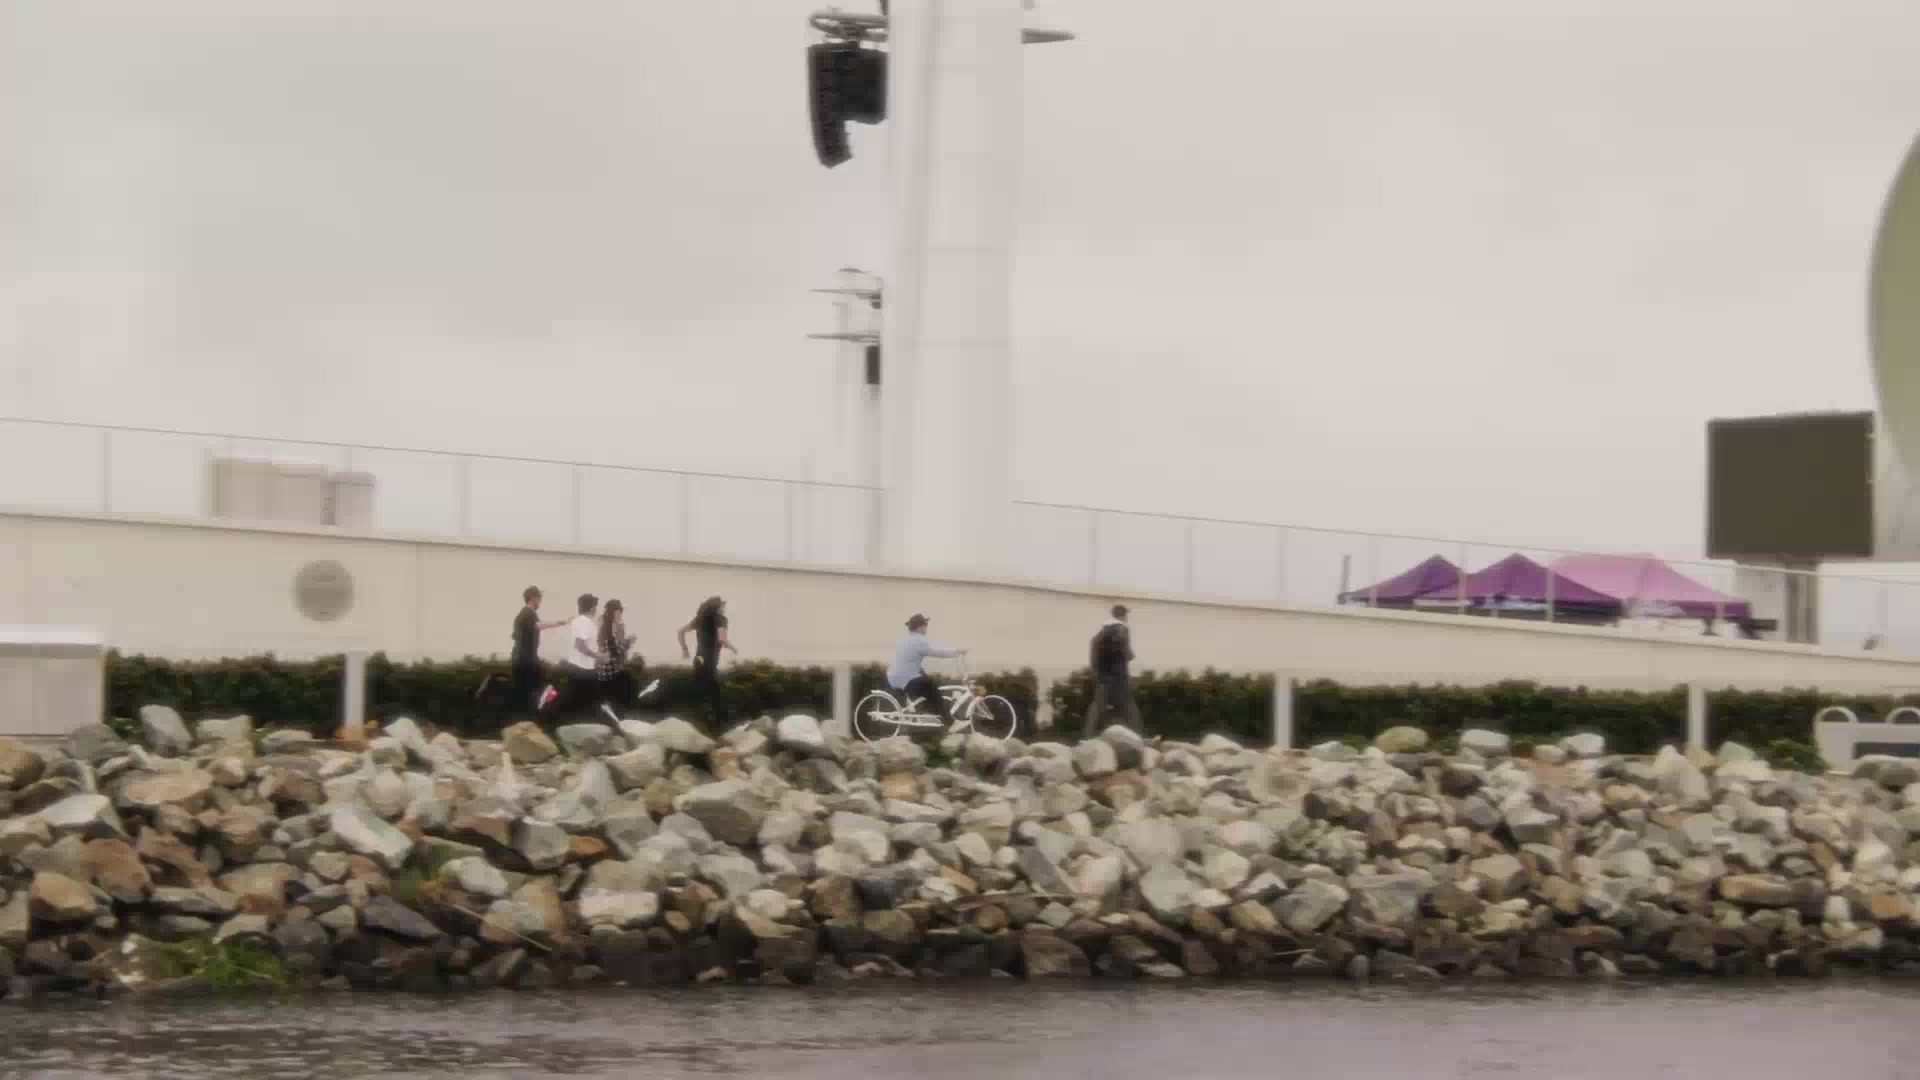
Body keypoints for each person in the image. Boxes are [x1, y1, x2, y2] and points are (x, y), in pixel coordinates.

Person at [678, 596, 737, 730]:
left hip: (699, 659)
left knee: (699, 690)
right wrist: (735, 650)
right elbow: (723, 640)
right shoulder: (721, 620)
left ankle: (696, 720)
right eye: (723, 605)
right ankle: (715, 723)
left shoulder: (699, 619)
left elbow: (680, 632)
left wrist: (685, 649)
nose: (724, 608)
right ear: (718, 607)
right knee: (714, 692)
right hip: (710, 661)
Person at [888, 613, 963, 716]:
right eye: (925, 625)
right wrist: (957, 652)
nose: (926, 628)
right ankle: (949, 721)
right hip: (905, 679)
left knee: (925, 681)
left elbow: (908, 660)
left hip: (894, 676)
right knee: (932, 687)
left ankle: (929, 713)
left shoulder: (905, 638)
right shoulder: (918, 640)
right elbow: (936, 652)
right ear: (920, 627)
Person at [1083, 603, 1142, 736]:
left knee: (1097, 707)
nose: (1127, 617)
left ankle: (1087, 737)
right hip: (1119, 677)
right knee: (1130, 708)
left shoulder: (1102, 631)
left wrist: (1096, 669)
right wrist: (1130, 656)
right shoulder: (1123, 629)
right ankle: (1138, 737)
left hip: (1103, 677)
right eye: (1126, 615)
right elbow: (1126, 652)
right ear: (1122, 615)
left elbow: (1093, 646)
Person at [508, 586, 566, 719]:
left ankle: (528, 718)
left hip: (521, 659)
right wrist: (560, 623)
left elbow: (514, 635)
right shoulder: (528, 613)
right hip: (526, 660)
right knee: (543, 687)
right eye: (539, 598)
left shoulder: (521, 615)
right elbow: (539, 625)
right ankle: (538, 717)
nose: (540, 601)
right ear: (532, 598)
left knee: (526, 692)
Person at [554, 593, 601, 723]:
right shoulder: (585, 622)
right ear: (592, 608)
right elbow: (579, 645)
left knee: (576, 707)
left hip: (577, 668)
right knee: (587, 707)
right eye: (595, 606)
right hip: (583, 670)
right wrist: (598, 656)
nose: (596, 609)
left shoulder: (577, 621)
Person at [597, 598, 637, 720]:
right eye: (619, 611)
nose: (621, 614)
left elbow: (610, 648)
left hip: (603, 672)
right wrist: (629, 641)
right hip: (612, 672)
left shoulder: (604, 626)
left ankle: (612, 720)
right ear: (614, 612)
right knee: (618, 703)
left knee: (609, 703)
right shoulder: (612, 628)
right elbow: (615, 652)